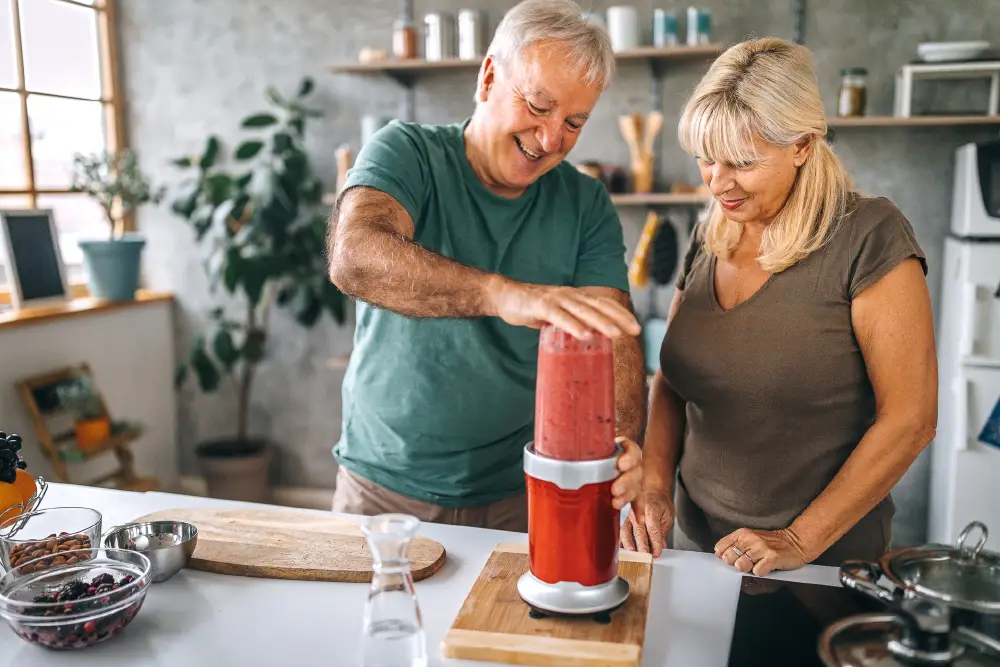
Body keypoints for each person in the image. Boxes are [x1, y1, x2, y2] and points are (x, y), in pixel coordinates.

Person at [621, 37, 938, 576]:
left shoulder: (868, 235)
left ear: (803, 145)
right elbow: (672, 379)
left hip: (817, 568)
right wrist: (654, 487)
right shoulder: (711, 233)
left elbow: (911, 419)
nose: (717, 182)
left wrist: (798, 538)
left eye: (741, 162)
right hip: (700, 551)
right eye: (706, 157)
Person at [326, 0, 645, 532]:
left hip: (519, 495)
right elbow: (353, 258)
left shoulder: (586, 201)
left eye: (574, 122)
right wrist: (506, 295)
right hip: (381, 490)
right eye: (538, 106)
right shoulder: (407, 152)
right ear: (490, 76)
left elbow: (615, 335)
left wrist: (624, 437)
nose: (550, 140)